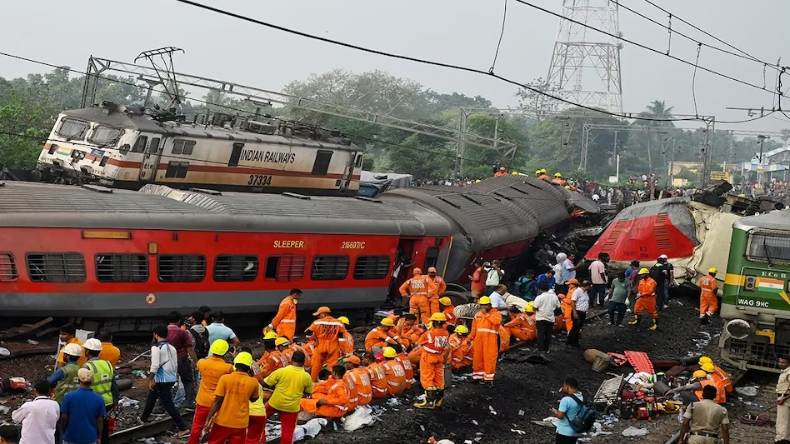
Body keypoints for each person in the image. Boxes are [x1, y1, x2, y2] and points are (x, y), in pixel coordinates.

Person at [140, 326, 189, 438]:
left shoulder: (156, 348)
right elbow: (175, 364)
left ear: (155, 335)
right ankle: (144, 418)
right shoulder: (172, 347)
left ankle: (183, 428)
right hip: (171, 378)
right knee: (152, 396)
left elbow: (155, 365)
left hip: (162, 380)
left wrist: (151, 378)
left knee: (168, 404)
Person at [203, 352, 260, 444]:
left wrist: (208, 419)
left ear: (235, 364)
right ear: (249, 367)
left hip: (222, 422)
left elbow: (217, 401)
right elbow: (254, 399)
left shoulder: (225, 379)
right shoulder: (253, 382)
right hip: (240, 423)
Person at [188, 339, 233, 444]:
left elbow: (199, 363)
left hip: (202, 401)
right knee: (215, 429)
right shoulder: (228, 368)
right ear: (225, 352)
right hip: (219, 403)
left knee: (197, 426)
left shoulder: (202, 363)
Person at [263, 351, 315, 444]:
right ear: (303, 362)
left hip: (275, 403)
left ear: (291, 360)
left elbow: (266, 383)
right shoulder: (306, 376)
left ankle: (260, 439)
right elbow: (309, 391)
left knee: (260, 419)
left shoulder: (281, 371)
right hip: (292, 408)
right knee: (288, 432)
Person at [81, 338, 118, 444]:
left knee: (91, 428)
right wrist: (115, 402)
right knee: (104, 428)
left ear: (87, 351)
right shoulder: (108, 364)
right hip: (107, 403)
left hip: (92, 404)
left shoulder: (87, 366)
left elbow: (84, 387)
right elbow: (113, 385)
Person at [60, 368, 106, 444]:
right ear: (92, 381)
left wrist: (64, 431)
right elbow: (100, 420)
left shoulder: (69, 397)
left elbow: (64, 418)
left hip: (71, 437)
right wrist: (99, 436)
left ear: (79, 380)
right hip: (90, 438)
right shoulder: (99, 399)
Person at [414, 313, 450, 409]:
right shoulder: (446, 333)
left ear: (433, 322)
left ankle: (429, 402)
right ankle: (438, 400)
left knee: (427, 377)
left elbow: (420, 342)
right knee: (438, 377)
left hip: (429, 357)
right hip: (439, 356)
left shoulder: (429, 333)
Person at [11, 379, 60, 444]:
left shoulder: (28, 406)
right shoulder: (55, 405)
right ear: (49, 391)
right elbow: (56, 419)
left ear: (35, 391)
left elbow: (15, 418)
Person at [469, 296, 502, 384]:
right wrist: (470, 338)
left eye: (485, 305)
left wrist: (486, 315)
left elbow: (496, 322)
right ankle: (477, 376)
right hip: (479, 340)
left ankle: (488, 378)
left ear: (489, 305)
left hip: (490, 340)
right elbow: (474, 328)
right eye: (482, 305)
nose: (483, 307)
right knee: (477, 358)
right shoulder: (478, 314)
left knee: (489, 358)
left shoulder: (496, 313)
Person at [306, 306, 344, 381]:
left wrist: (313, 339)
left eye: (319, 315)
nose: (318, 316)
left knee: (316, 366)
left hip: (320, 346)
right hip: (333, 347)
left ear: (323, 314)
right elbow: (341, 338)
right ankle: (331, 382)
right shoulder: (339, 323)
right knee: (332, 367)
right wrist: (342, 349)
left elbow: (308, 334)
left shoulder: (317, 323)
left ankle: (312, 382)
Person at [551, 377, 584, 444]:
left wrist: (555, 411)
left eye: (564, 386)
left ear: (567, 387)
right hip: (575, 432)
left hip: (564, 432)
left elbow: (560, 416)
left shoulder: (566, 400)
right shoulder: (582, 397)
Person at [533, 283, 561, 356]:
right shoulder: (554, 297)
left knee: (541, 334)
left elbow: (535, 308)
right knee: (548, 334)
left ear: (540, 289)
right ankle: (546, 349)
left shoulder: (539, 297)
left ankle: (540, 349)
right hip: (550, 319)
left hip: (541, 318)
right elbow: (558, 307)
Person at [567, 281, 591, 348]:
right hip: (578, 312)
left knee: (578, 328)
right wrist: (574, 312)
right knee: (575, 327)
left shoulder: (585, 292)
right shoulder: (577, 291)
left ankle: (575, 342)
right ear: (587, 286)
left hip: (583, 312)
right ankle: (570, 342)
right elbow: (573, 302)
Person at [776, 355, 790, 442]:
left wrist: (783, 399)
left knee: (781, 423)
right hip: (784, 397)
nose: (781, 364)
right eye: (780, 362)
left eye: (783, 362)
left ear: (788, 363)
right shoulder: (785, 371)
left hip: (785, 399)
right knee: (786, 423)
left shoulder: (789, 373)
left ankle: (780, 441)